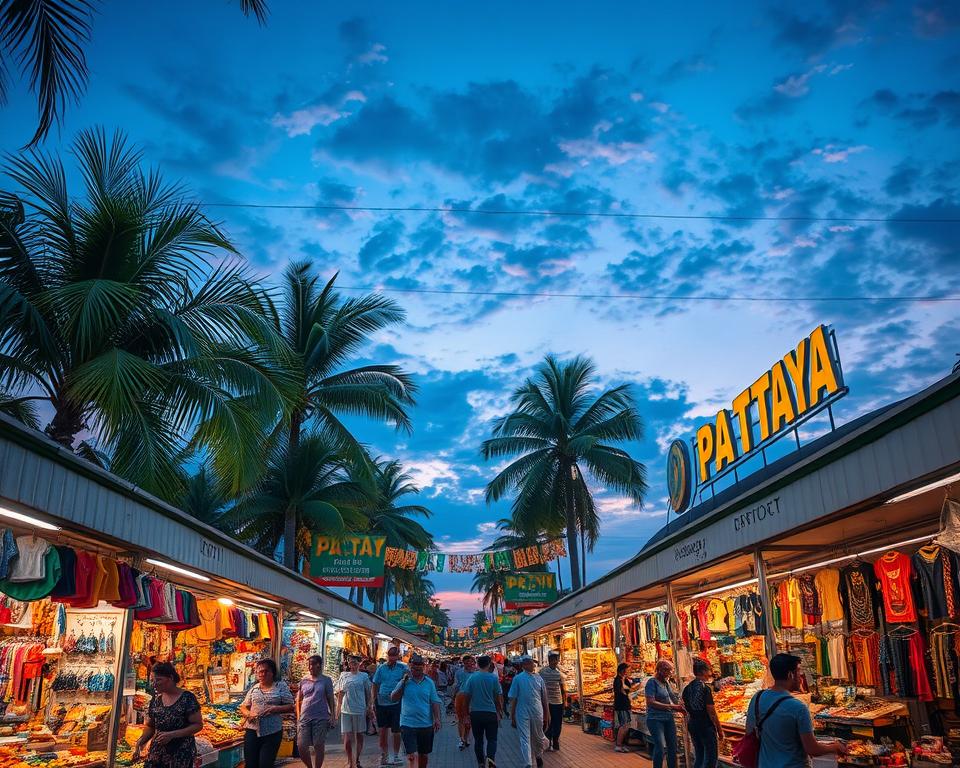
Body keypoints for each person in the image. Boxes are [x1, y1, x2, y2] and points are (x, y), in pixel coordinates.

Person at [745, 653, 849, 768]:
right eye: (798, 671)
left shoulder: (757, 698)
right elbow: (812, 749)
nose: (801, 676)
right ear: (790, 675)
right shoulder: (798, 707)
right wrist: (835, 747)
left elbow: (749, 732)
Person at [132, 662, 203, 768]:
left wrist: (172, 734)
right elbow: (151, 726)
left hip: (180, 754)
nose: (154, 684)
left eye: (158, 679)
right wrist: (141, 741)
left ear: (170, 678)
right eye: (152, 680)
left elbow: (197, 725)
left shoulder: (187, 698)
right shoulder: (156, 700)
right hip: (157, 753)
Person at [238, 659, 295, 768]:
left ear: (272, 673)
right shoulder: (254, 688)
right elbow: (243, 706)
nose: (262, 674)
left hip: (272, 732)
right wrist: (249, 714)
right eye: (260, 671)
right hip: (252, 730)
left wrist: (275, 709)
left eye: (266, 671)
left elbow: (290, 705)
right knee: (250, 764)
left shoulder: (280, 686)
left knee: (265, 763)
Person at [390, 653, 442, 768]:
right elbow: (393, 698)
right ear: (410, 667)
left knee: (423, 755)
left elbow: (434, 702)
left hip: (425, 724)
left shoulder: (429, 683)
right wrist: (403, 682)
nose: (416, 670)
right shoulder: (404, 681)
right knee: (411, 755)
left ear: (423, 667)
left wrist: (437, 719)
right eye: (414, 667)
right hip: (407, 724)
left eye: (419, 667)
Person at [461, 654, 504, 768]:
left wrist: (466, 715)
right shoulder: (493, 678)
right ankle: (490, 760)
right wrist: (499, 711)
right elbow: (497, 697)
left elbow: (466, 698)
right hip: (490, 713)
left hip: (476, 714)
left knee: (478, 740)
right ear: (489, 665)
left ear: (477, 664)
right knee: (492, 739)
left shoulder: (472, 678)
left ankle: (480, 763)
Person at [509, 655, 550, 768]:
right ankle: (528, 763)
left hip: (537, 711)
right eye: (531, 663)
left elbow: (544, 698)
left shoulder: (539, 678)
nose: (533, 665)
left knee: (538, 736)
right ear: (524, 665)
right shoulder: (517, 679)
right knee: (524, 738)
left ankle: (538, 755)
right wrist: (512, 716)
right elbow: (514, 698)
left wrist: (547, 714)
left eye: (533, 663)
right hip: (522, 712)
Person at [682, 659, 724, 768]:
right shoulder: (705, 688)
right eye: (708, 670)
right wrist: (719, 730)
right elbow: (712, 712)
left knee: (699, 755)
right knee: (711, 757)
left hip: (692, 724)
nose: (710, 673)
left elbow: (685, 707)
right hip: (705, 725)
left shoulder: (687, 688)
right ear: (702, 672)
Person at [296, 655, 336, 768]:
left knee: (318, 744)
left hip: (321, 717)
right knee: (301, 745)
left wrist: (333, 715)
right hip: (305, 717)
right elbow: (298, 699)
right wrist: (299, 716)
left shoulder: (326, 680)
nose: (310, 667)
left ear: (319, 665)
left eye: (313, 664)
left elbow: (330, 698)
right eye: (309, 664)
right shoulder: (304, 680)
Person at [336, 655, 375, 768]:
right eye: (351, 663)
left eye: (355, 663)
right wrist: (336, 711)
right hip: (346, 710)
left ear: (359, 664)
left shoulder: (364, 676)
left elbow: (369, 693)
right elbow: (339, 693)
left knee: (359, 736)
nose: (352, 665)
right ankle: (349, 760)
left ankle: (356, 760)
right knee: (347, 739)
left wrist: (369, 707)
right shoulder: (343, 675)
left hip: (359, 710)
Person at [644, 659, 684, 768]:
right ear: (660, 670)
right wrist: (672, 706)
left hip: (668, 717)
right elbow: (650, 702)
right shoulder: (651, 682)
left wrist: (682, 705)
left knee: (672, 746)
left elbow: (673, 697)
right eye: (667, 670)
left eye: (670, 671)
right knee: (660, 746)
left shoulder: (666, 683)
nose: (669, 673)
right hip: (655, 718)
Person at [372, 646, 408, 766]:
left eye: (394, 655)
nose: (392, 658)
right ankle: (384, 754)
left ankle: (395, 755)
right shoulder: (381, 668)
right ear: (388, 655)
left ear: (398, 656)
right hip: (382, 702)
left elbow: (407, 681)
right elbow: (375, 684)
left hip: (396, 703)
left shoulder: (403, 668)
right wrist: (373, 701)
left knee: (396, 731)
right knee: (382, 730)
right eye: (390, 655)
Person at [538, 651, 565, 751]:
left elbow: (562, 689)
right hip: (547, 702)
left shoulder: (559, 673)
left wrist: (564, 701)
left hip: (558, 701)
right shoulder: (542, 672)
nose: (555, 662)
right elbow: (539, 687)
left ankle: (556, 740)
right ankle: (548, 742)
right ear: (549, 661)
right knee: (548, 722)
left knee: (558, 723)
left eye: (556, 660)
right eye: (553, 660)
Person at [454, 654, 477, 750]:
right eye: (466, 662)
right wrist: (454, 696)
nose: (468, 664)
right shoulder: (459, 672)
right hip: (460, 696)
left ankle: (466, 738)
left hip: (472, 698)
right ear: (463, 663)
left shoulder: (476, 673)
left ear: (472, 662)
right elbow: (456, 685)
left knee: (469, 720)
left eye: (470, 662)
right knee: (460, 719)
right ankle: (461, 739)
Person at [613, 662, 634, 753]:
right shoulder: (618, 680)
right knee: (624, 725)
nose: (629, 672)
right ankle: (618, 745)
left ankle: (622, 744)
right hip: (621, 705)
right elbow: (622, 691)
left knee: (626, 725)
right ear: (622, 671)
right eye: (627, 670)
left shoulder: (624, 679)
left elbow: (629, 690)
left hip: (626, 705)